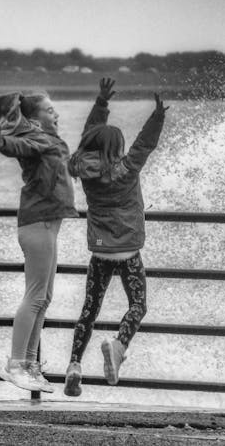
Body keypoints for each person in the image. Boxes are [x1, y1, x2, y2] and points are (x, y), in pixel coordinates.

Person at [0, 79, 116, 393]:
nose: (56, 114)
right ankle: (15, 364)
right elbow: (20, 147)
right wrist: (2, 144)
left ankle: (30, 364)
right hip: (36, 225)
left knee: (44, 298)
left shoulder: (50, 139)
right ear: (32, 118)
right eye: (50, 110)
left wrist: (100, 105)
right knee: (34, 298)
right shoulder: (33, 137)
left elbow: (85, 142)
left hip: (48, 225)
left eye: (55, 109)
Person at [63, 89, 168, 397]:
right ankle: (119, 345)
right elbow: (144, 145)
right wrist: (158, 116)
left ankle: (74, 366)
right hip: (128, 252)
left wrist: (100, 105)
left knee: (90, 309)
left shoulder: (83, 169)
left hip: (99, 250)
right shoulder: (126, 168)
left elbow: (89, 136)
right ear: (117, 147)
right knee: (138, 305)